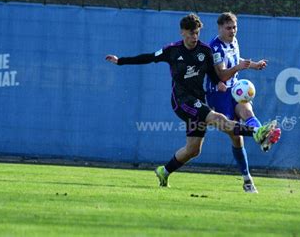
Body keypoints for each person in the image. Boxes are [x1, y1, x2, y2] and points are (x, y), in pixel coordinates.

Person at [106, 13, 281, 188]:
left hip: (198, 100)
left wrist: (218, 82)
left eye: (197, 33)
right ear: (182, 32)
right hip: (182, 101)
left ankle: (164, 171)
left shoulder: (205, 51)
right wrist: (120, 61)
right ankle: (257, 133)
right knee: (218, 119)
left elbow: (213, 74)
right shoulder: (172, 50)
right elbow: (149, 57)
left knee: (193, 150)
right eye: (191, 33)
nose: (194, 37)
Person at [205, 12, 275, 194]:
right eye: (228, 28)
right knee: (236, 137)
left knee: (248, 113)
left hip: (234, 89)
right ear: (220, 28)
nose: (232, 31)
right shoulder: (215, 47)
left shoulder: (234, 41)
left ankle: (262, 137)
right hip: (218, 95)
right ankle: (247, 179)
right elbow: (221, 74)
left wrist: (254, 64)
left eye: (234, 27)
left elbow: (238, 60)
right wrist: (238, 68)